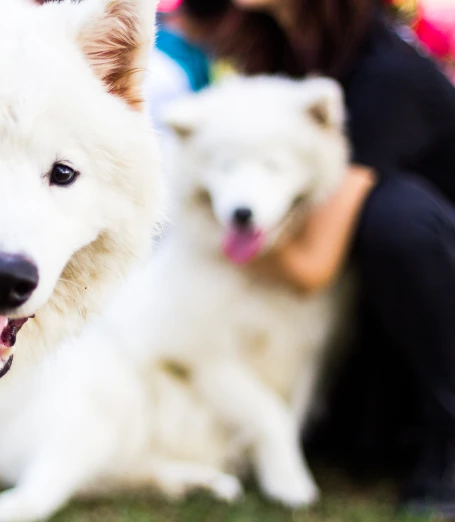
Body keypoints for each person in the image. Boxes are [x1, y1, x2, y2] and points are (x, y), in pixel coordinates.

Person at [177, 0, 455, 516]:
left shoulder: (386, 75)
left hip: (436, 279)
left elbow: (310, 268)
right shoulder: (284, 49)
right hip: (377, 314)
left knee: (394, 215)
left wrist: (205, 227)